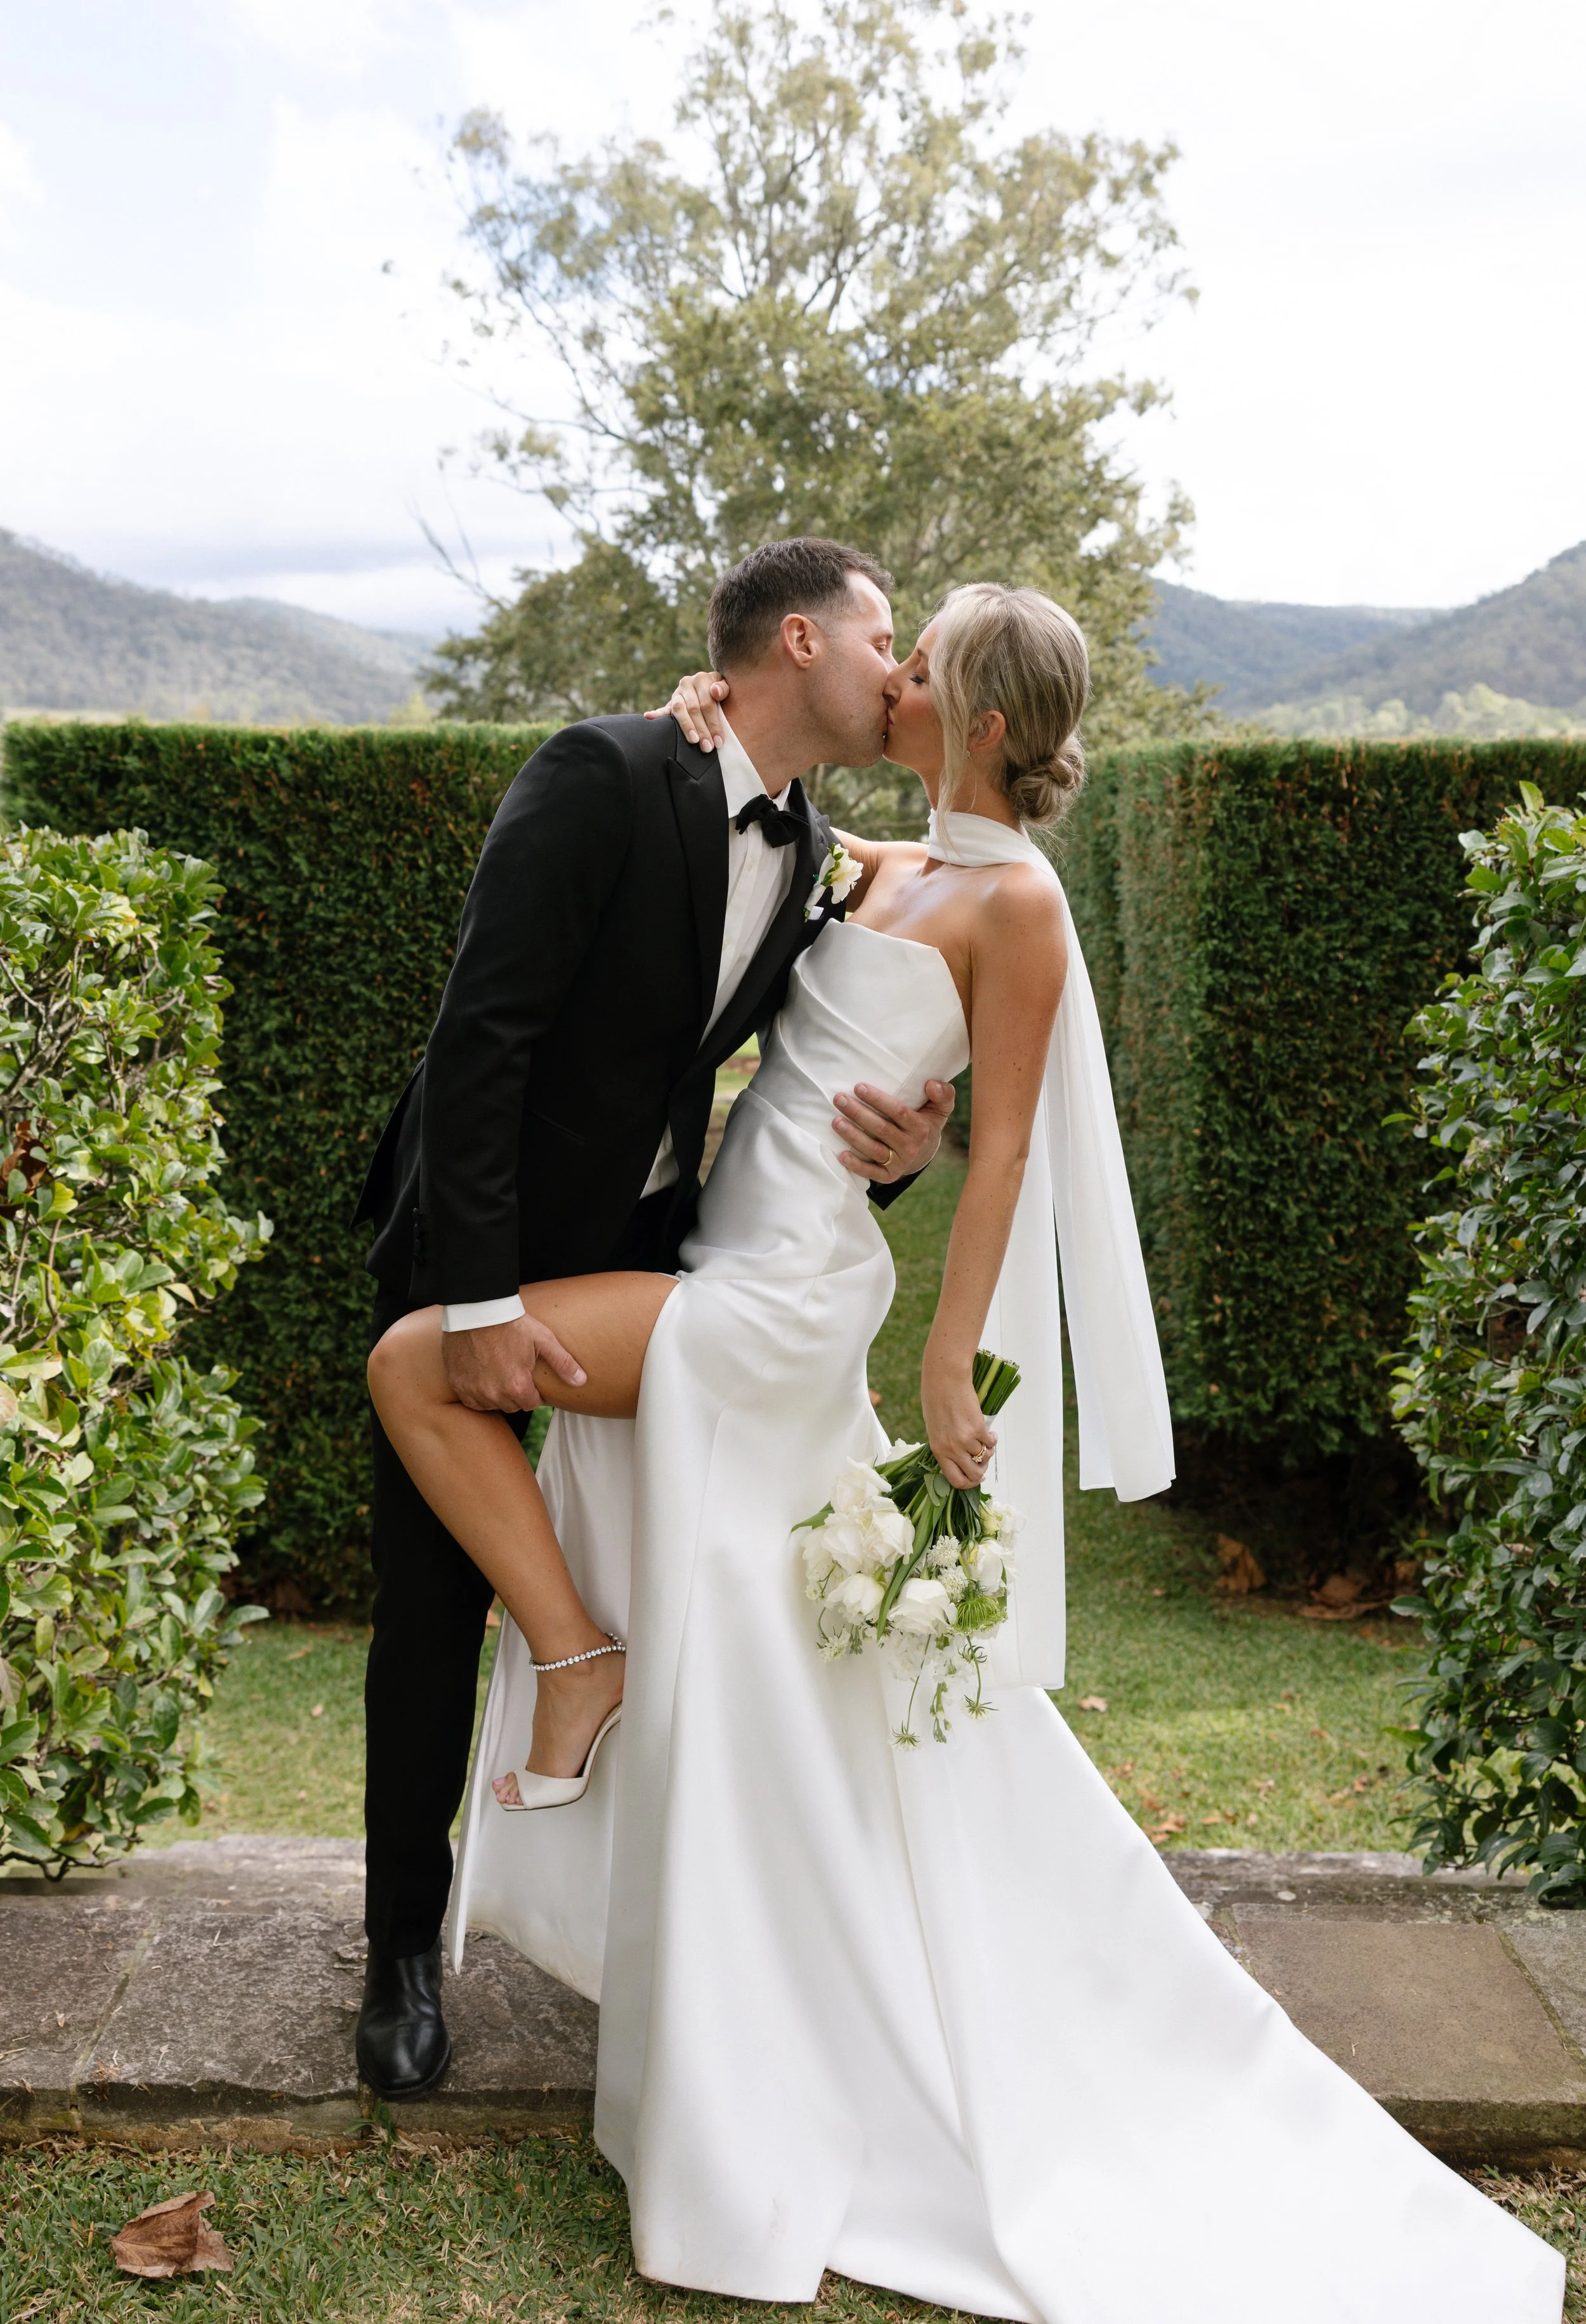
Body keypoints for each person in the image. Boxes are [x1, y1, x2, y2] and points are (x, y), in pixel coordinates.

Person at [369, 581, 1563, 2321]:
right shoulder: (851, 860)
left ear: (983, 717)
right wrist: (695, 723)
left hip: (779, 1297)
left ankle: (577, 1666)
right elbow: (753, 904)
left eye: (924, 661)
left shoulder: (1014, 912)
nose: (897, 674)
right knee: (758, 1651)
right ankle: (669, 1900)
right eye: (885, 645)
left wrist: (947, 1340)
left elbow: (993, 1152)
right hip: (699, 1253)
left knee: (423, 1376)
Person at [350, 537, 956, 2099]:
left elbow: (814, 1074)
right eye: (884, 634)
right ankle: (402, 1954)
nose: (898, 666)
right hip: (464, 1242)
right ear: (802, 638)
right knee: (430, 1598)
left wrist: (907, 1146)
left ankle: (650, 1916)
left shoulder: (818, 841)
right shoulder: (605, 770)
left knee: (666, 1564)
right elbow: (478, 1036)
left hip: (645, 1256)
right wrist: (472, 1294)